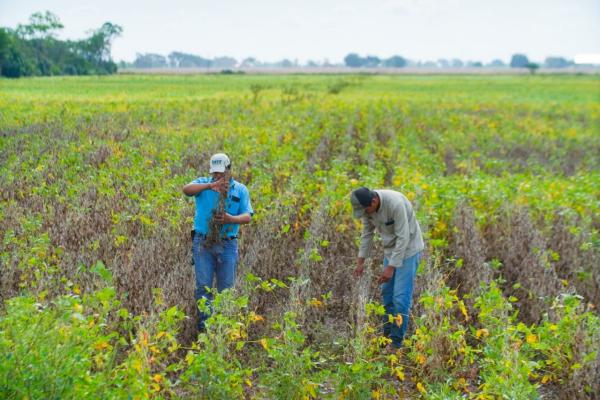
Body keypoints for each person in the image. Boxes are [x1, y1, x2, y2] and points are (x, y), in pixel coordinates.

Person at [183, 153, 253, 330]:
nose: (218, 177)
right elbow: (186, 189)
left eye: (221, 173)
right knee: (203, 288)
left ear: (229, 170)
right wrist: (209, 185)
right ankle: (205, 331)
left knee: (225, 290)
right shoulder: (204, 183)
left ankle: (222, 331)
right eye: (215, 173)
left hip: (228, 244)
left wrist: (231, 219)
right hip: (203, 243)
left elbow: (247, 216)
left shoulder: (240, 190)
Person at [350, 187, 424, 349]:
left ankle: (396, 343)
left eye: (366, 210)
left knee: (400, 298)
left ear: (374, 202)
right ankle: (387, 336)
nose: (365, 214)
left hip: (409, 249)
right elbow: (367, 234)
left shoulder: (395, 204)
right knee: (387, 294)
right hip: (391, 250)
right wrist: (360, 262)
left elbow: (403, 237)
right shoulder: (368, 209)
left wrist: (390, 268)